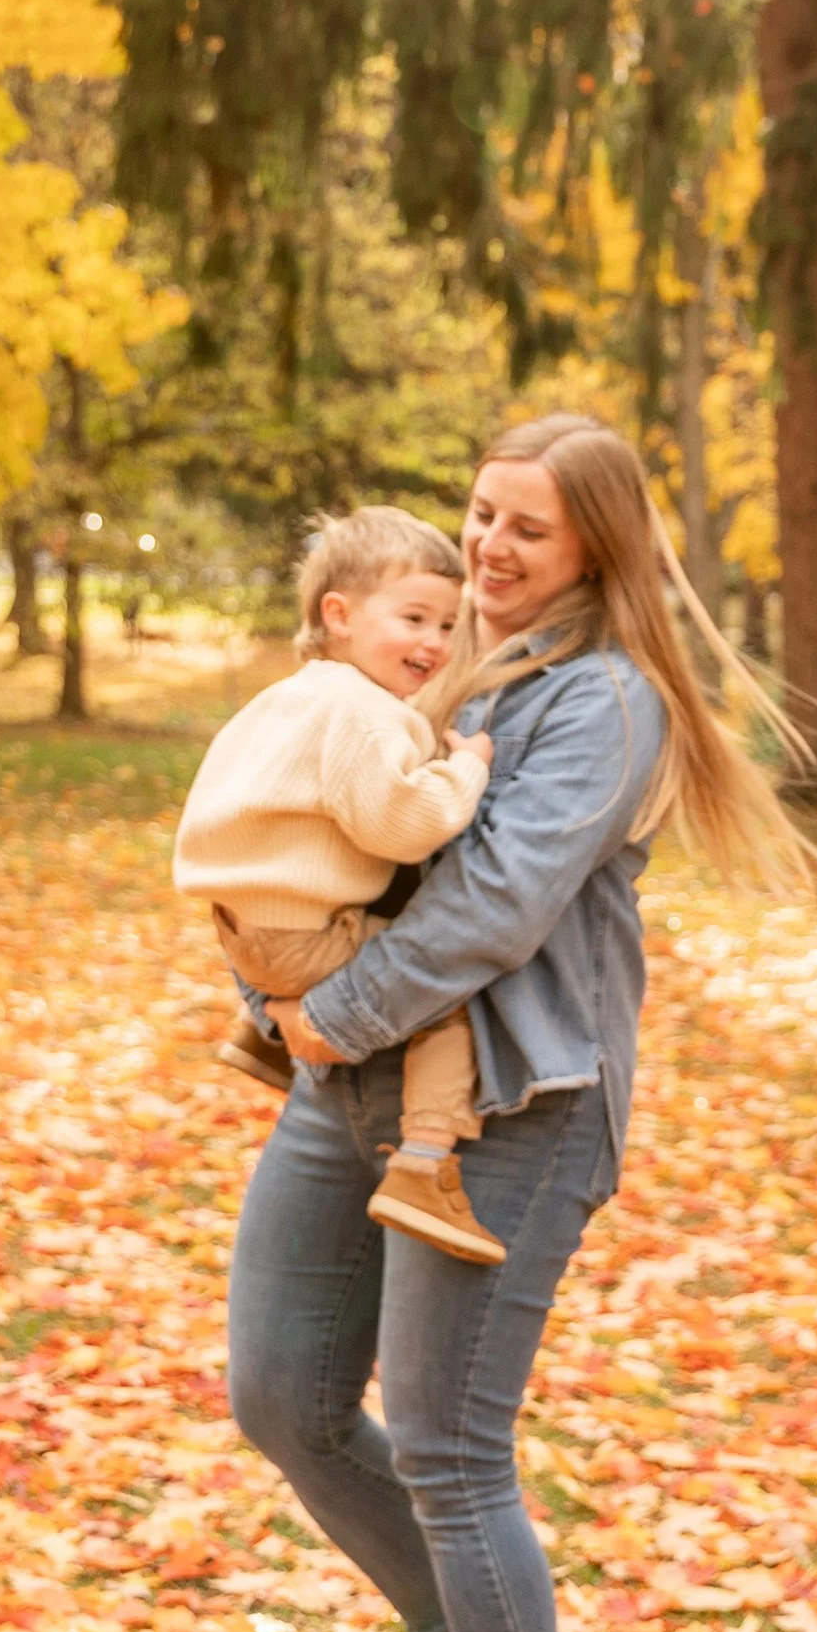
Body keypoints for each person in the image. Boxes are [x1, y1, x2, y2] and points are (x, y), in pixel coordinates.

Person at [225, 409, 810, 1632]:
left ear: (593, 550)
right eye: (481, 514)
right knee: (281, 1392)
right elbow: (334, 841)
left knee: (446, 1438)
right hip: (356, 1079)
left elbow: (489, 907)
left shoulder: (607, 704)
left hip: (514, 1107)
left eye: (526, 529)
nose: (487, 546)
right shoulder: (447, 659)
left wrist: (329, 1019)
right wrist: (268, 984)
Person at [174, 509, 504, 1266]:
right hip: (304, 941)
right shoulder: (363, 714)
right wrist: (468, 768)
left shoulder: (294, 696)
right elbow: (404, 826)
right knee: (445, 992)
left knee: (350, 905)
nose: (434, 643)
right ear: (340, 614)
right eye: (414, 618)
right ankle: (424, 1161)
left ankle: (266, 1032)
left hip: (244, 926)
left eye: (449, 626)